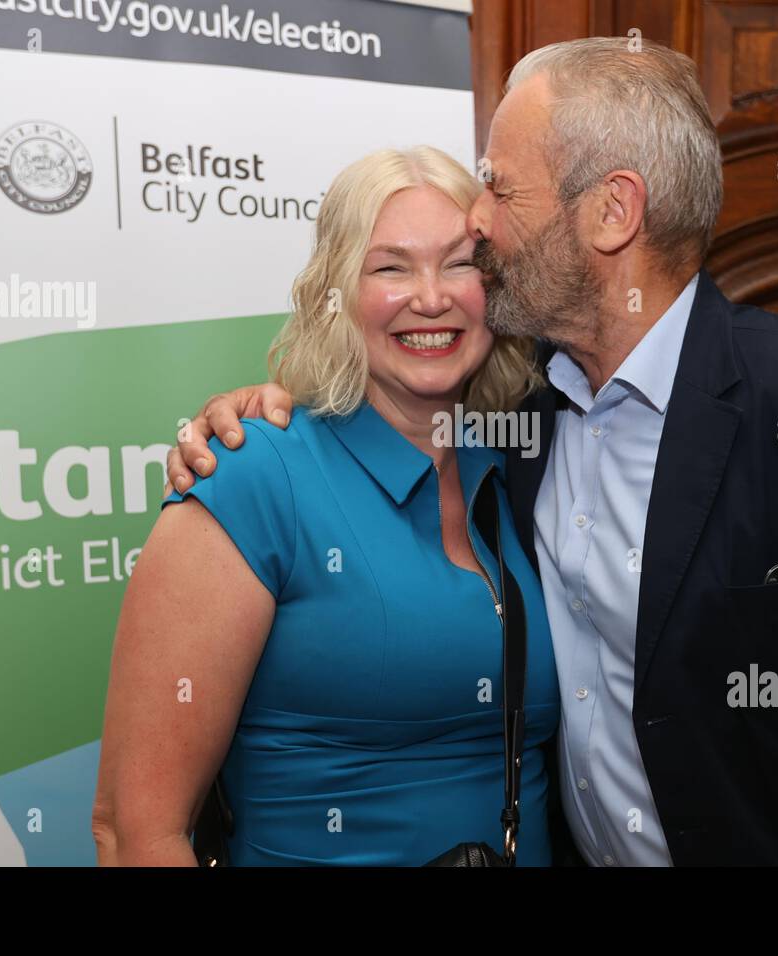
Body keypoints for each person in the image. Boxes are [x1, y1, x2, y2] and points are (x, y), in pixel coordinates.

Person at [167, 38, 778, 866]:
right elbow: (372, 407)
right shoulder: (516, 417)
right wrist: (258, 412)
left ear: (612, 211)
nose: (476, 223)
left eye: (499, 189)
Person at [92, 146, 560, 866]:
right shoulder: (250, 476)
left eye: (460, 262)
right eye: (390, 267)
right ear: (335, 293)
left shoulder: (520, 468)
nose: (431, 298)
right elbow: (136, 833)